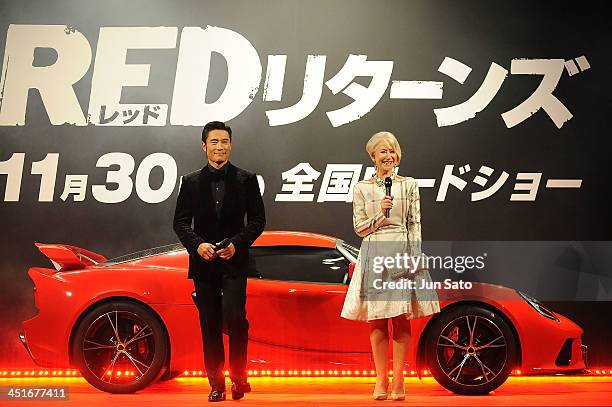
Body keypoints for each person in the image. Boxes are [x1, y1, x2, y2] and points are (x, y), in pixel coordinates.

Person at [341, 131, 440, 401]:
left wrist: (415, 257)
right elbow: (360, 228)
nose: (389, 156)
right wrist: (379, 214)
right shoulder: (362, 188)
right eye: (383, 151)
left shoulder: (409, 185)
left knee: (400, 318)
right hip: (374, 251)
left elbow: (415, 224)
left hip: (401, 250)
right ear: (372, 156)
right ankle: (380, 380)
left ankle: (399, 380)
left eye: (392, 151)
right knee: (377, 320)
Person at [173, 121, 266, 402]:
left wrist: (236, 244)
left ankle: (239, 378)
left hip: (234, 262)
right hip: (204, 263)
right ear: (204, 146)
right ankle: (216, 384)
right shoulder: (190, 182)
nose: (219, 147)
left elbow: (259, 220)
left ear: (231, 144)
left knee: (237, 320)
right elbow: (179, 222)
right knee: (209, 323)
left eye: (224, 141)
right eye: (214, 142)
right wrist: (197, 245)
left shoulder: (246, 179)